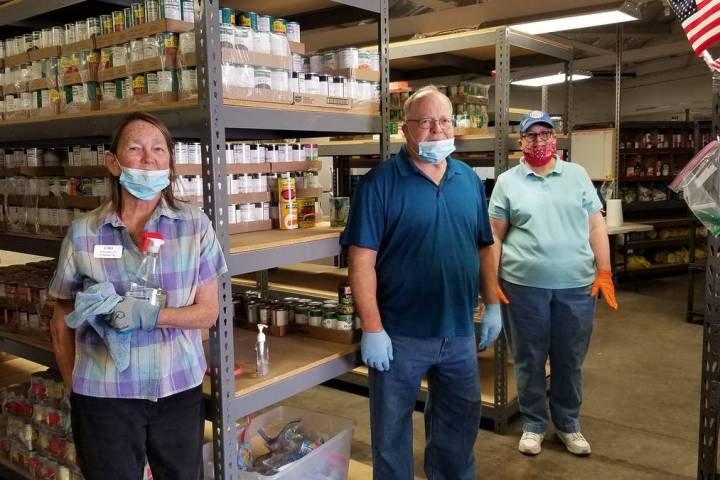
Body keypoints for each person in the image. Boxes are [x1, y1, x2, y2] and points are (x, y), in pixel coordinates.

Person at [49, 112, 227, 480]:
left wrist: (152, 316)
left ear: (170, 163)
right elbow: (60, 316)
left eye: (159, 150)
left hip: (177, 388)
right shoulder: (84, 234)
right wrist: (75, 386)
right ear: (113, 163)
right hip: (104, 395)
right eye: (135, 149)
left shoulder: (195, 227)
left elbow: (209, 312)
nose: (149, 159)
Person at [341, 85, 502, 480]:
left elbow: (484, 246)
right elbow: (361, 261)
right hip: (400, 336)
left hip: (460, 332)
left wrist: (493, 302)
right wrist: (373, 327)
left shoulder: (467, 180)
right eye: (426, 121)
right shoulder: (379, 184)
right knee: (392, 434)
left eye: (445, 121)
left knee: (458, 428)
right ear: (405, 129)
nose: (437, 130)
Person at [489, 110, 617, 457]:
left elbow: (596, 227)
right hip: (522, 284)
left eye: (546, 134)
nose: (539, 141)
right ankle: (533, 423)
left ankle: (568, 424)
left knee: (569, 358)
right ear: (521, 142)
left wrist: (603, 271)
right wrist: (491, 281)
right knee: (529, 357)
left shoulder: (576, 176)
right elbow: (495, 236)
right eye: (532, 135)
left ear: (556, 139)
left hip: (576, 285)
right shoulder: (508, 182)